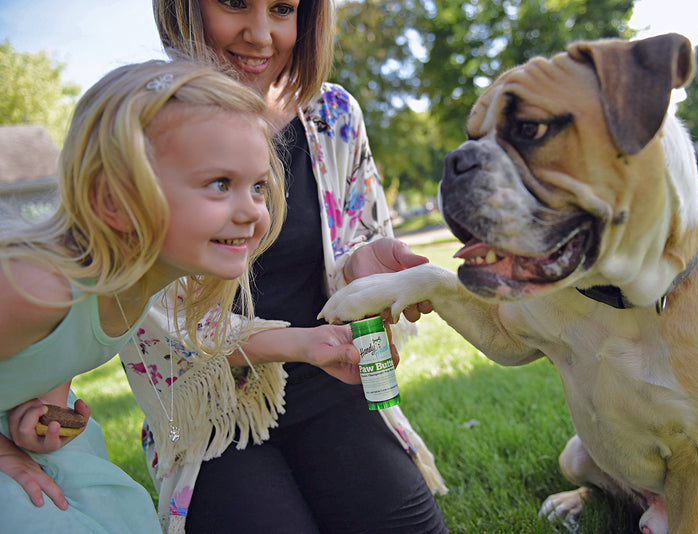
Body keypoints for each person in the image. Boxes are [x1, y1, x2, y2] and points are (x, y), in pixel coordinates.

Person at [117, 0, 450, 532]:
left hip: (332, 383)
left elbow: (355, 238)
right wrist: (294, 343)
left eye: (282, 8)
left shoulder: (334, 114)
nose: (261, 34)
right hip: (215, 416)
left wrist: (363, 267)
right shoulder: (143, 122)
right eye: (234, 3)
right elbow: (142, 306)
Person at [0, 59, 292, 533]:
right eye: (221, 184)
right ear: (115, 201)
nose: (253, 211)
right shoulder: (38, 286)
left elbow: (49, 358)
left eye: (257, 186)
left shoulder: (143, 282)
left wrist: (37, 409)